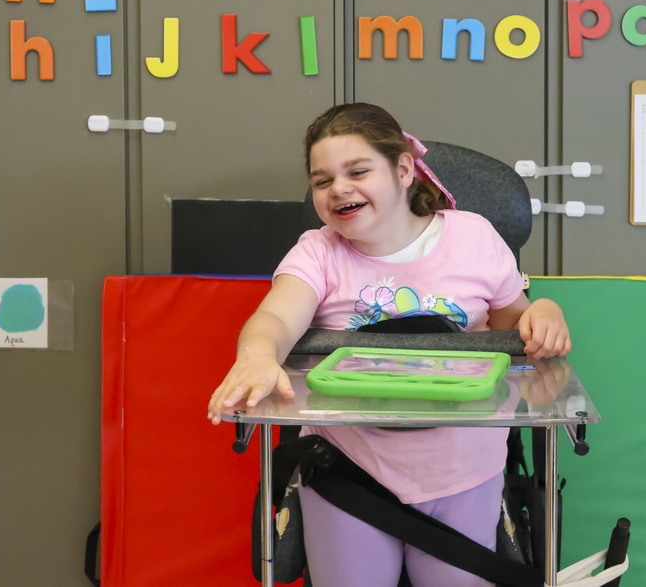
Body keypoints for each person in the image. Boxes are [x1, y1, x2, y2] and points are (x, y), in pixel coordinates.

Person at [207, 102, 571, 587]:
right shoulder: (317, 252)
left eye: (358, 171)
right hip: (347, 471)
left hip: (464, 468)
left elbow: (517, 322)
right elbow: (275, 316)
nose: (338, 188)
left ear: (403, 169)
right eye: (322, 180)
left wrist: (545, 312)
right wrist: (256, 355)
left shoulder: (473, 238)